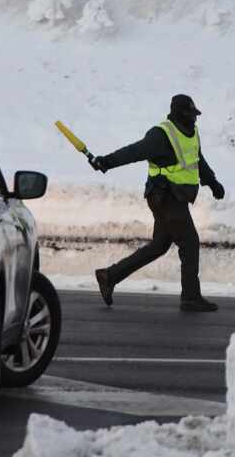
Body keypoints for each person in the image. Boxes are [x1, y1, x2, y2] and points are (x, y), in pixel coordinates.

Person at [87, 94, 224, 312]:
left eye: (196, 114)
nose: (195, 119)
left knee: (159, 246)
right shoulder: (161, 135)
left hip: (174, 197)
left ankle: (109, 275)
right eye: (191, 114)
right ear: (180, 114)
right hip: (165, 197)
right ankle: (190, 297)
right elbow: (134, 152)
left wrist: (212, 182)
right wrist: (106, 162)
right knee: (190, 243)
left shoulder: (191, 132)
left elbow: (197, 158)